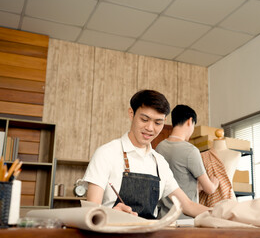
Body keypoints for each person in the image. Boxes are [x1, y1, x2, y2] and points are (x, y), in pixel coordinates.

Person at [83, 90, 209, 219]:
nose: (150, 128)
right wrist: (112, 213)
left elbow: (187, 205)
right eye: (144, 119)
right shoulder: (106, 154)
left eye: (158, 123)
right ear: (131, 114)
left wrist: (219, 212)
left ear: (164, 121)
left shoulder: (159, 163)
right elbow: (91, 210)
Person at [155, 105, 219, 219]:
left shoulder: (159, 147)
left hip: (163, 218)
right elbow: (209, 189)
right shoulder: (191, 151)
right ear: (190, 121)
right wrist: (215, 183)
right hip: (185, 219)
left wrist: (196, 188)